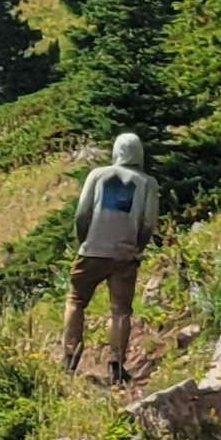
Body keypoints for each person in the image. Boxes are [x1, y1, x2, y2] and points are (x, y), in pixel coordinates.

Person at [61, 128, 161, 384]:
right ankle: (116, 365)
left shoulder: (97, 175)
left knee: (76, 299)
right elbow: (148, 222)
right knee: (120, 311)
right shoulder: (147, 183)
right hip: (125, 254)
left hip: (92, 250)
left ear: (116, 151)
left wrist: (83, 241)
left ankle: (70, 357)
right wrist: (137, 247)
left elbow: (82, 214)